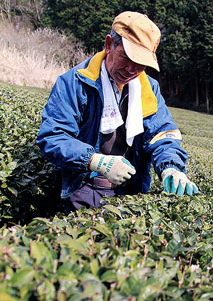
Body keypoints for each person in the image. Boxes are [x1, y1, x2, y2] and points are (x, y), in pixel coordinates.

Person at [37, 11, 198, 211]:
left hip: (131, 191)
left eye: (141, 64)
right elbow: (52, 137)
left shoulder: (148, 87)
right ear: (109, 45)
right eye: (126, 58)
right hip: (84, 190)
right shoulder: (74, 83)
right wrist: (95, 161)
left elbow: (161, 133)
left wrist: (171, 168)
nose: (131, 69)